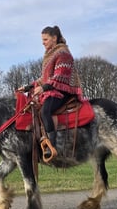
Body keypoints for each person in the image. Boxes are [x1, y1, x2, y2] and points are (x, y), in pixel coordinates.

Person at [18, 25, 83, 157]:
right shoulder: (50, 54)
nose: (43, 43)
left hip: (63, 90)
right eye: (42, 40)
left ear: (54, 38)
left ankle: (51, 144)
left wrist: (43, 88)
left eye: (45, 39)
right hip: (52, 88)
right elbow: (44, 78)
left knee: (45, 111)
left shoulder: (63, 53)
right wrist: (29, 87)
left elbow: (60, 76)